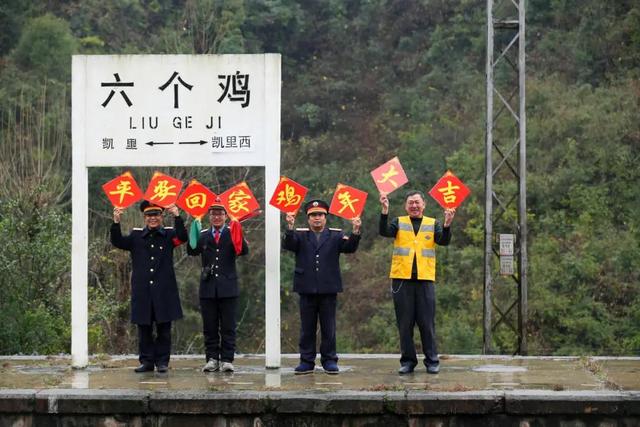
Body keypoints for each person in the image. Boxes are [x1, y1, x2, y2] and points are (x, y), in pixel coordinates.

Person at [379, 190, 456, 375]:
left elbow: (443, 241)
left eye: (417, 203)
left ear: (424, 205)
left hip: (425, 280)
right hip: (401, 279)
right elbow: (384, 232)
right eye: (411, 203)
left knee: (426, 323)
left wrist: (447, 224)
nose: (414, 206)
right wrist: (384, 211)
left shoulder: (433, 223)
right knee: (404, 324)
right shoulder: (399, 222)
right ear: (406, 206)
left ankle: (432, 361)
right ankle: (408, 361)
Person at [283, 199, 361, 374]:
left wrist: (355, 230)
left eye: (320, 215)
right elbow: (289, 245)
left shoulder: (335, 235)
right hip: (306, 287)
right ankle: (306, 361)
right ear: (308, 218)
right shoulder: (300, 235)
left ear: (325, 217)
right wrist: (289, 227)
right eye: (313, 215)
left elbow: (349, 248)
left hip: (328, 288)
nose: (317, 218)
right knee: (307, 327)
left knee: (328, 327)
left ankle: (329, 360)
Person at [111, 201, 187, 373]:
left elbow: (183, 237)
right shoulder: (136, 236)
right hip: (143, 291)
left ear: (161, 216)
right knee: (144, 328)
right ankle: (146, 361)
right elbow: (118, 242)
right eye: (149, 216)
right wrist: (116, 221)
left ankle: (162, 362)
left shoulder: (169, 235)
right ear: (144, 218)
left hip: (164, 290)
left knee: (164, 329)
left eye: (156, 215)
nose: (153, 218)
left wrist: (177, 215)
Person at [187, 200, 248, 373]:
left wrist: (238, 230)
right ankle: (212, 358)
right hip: (208, 287)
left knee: (228, 326)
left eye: (220, 214)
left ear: (226, 216)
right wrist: (194, 229)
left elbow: (243, 250)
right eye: (213, 214)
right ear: (209, 216)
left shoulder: (232, 232)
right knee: (210, 326)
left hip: (228, 286)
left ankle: (227, 359)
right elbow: (192, 251)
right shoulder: (204, 234)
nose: (216, 217)